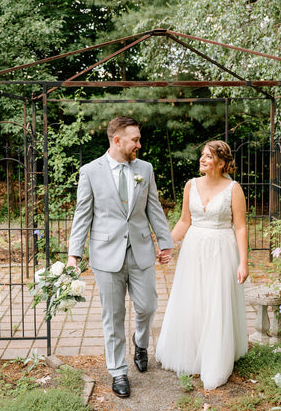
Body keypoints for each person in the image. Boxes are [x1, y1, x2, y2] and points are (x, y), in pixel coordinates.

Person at [67, 116, 173, 398]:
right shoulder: (90, 171)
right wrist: (73, 255)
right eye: (135, 139)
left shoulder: (145, 169)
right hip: (105, 255)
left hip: (141, 251)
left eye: (139, 139)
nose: (139, 144)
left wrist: (165, 242)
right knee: (113, 316)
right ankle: (118, 371)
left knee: (148, 306)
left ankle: (141, 342)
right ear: (117, 140)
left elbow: (155, 209)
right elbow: (82, 214)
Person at [156, 140, 248, 390]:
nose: (202, 159)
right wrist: (166, 244)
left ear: (220, 162)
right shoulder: (191, 185)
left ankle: (216, 356)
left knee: (216, 300)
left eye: (208, 157)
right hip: (194, 249)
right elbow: (185, 221)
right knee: (193, 299)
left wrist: (244, 262)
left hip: (222, 249)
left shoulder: (233, 189)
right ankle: (192, 350)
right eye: (202, 156)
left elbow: (240, 228)